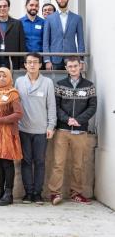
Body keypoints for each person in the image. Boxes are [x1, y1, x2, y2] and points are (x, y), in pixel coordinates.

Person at [48, 57, 97, 205]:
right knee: (58, 163)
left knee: (78, 164)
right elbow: (55, 106)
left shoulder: (89, 86)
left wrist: (79, 120)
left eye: (75, 66)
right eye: (70, 66)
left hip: (81, 132)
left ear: (80, 66)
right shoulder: (60, 85)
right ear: (66, 68)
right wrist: (67, 119)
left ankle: (76, 193)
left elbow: (92, 106)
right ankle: (55, 193)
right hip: (62, 130)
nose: (73, 68)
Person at [15, 53, 56, 205]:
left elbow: (51, 106)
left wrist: (51, 126)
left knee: (39, 162)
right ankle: (28, 193)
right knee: (25, 162)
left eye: (35, 62)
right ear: (25, 65)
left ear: (40, 65)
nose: (32, 65)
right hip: (23, 129)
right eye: (29, 62)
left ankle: (38, 193)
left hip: (41, 130)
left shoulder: (47, 83)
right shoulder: (19, 82)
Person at [0, 67, 24, 206]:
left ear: (9, 78)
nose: (1, 78)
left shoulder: (13, 93)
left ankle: (9, 194)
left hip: (7, 133)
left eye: (4, 76)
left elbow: (18, 114)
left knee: (7, 164)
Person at [43, 0, 85, 70]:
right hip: (54, 59)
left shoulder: (77, 18)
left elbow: (81, 41)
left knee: (72, 82)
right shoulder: (49, 18)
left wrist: (81, 60)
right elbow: (46, 41)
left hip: (72, 59)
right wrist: (47, 60)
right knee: (55, 82)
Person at [0, 0, 26, 69]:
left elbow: (22, 44)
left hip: (12, 61)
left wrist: (22, 64)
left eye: (5, 6)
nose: (2, 8)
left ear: (8, 8)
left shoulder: (17, 23)